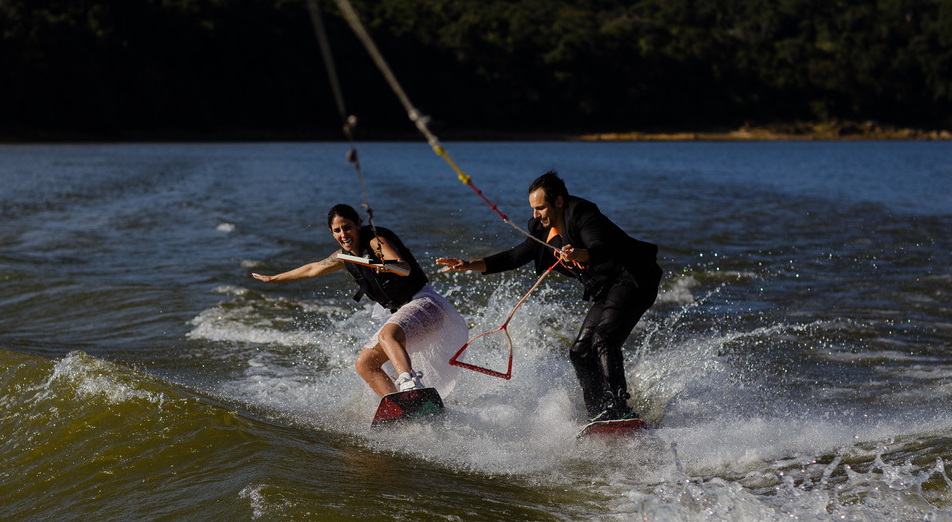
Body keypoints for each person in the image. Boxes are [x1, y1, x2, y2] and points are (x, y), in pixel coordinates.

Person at [437, 170, 662, 422]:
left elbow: (600, 247)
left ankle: (621, 410)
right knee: (580, 352)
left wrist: (579, 254)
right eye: (533, 208)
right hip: (607, 289)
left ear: (558, 202)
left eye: (541, 208)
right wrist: (468, 264)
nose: (535, 214)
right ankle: (600, 414)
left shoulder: (581, 213)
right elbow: (513, 257)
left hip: (635, 278)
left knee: (604, 339)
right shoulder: (541, 230)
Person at [253, 204, 469, 399]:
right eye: (337, 230)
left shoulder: (376, 241)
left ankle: (410, 387)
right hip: (403, 312)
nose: (343, 234)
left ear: (358, 224)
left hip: (425, 305)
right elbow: (313, 268)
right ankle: (399, 405)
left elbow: (404, 267)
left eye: (347, 227)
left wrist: (389, 265)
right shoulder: (344, 256)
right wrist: (273, 279)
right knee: (365, 364)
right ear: (331, 232)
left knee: (387, 335)